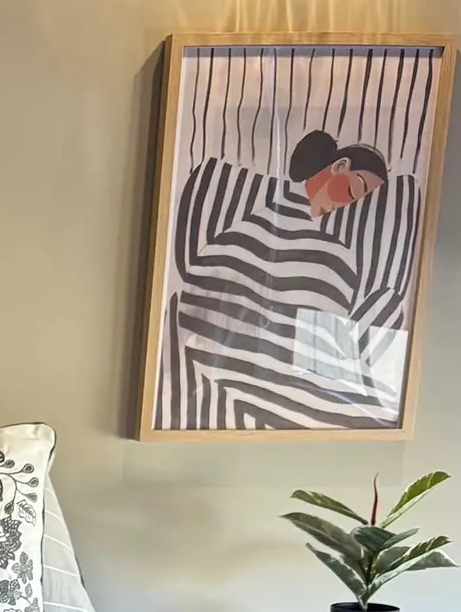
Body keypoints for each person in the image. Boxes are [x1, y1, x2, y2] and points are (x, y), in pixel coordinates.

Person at [156, 125, 420, 431]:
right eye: (353, 190)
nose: (347, 205)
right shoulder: (330, 257)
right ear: (339, 166)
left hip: (232, 369)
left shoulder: (242, 234)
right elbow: (315, 358)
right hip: (265, 377)